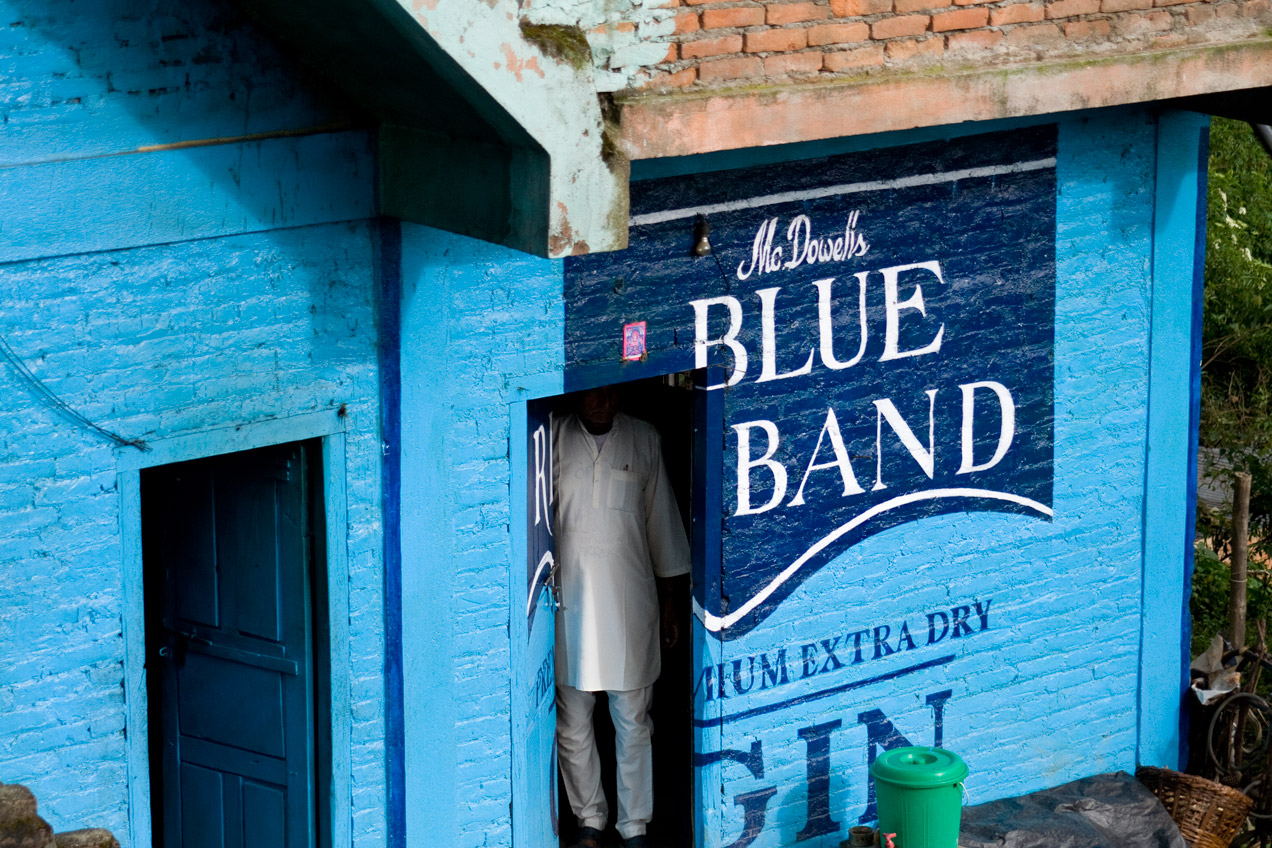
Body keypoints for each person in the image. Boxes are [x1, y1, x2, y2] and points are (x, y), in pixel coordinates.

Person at [553, 385, 690, 848]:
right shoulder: (551, 438)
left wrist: (672, 598)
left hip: (630, 604)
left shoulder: (644, 438)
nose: (602, 402)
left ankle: (635, 827)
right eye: (593, 394)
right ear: (576, 396)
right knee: (573, 721)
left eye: (611, 393)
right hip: (567, 606)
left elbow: (662, 524)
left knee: (633, 719)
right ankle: (589, 820)